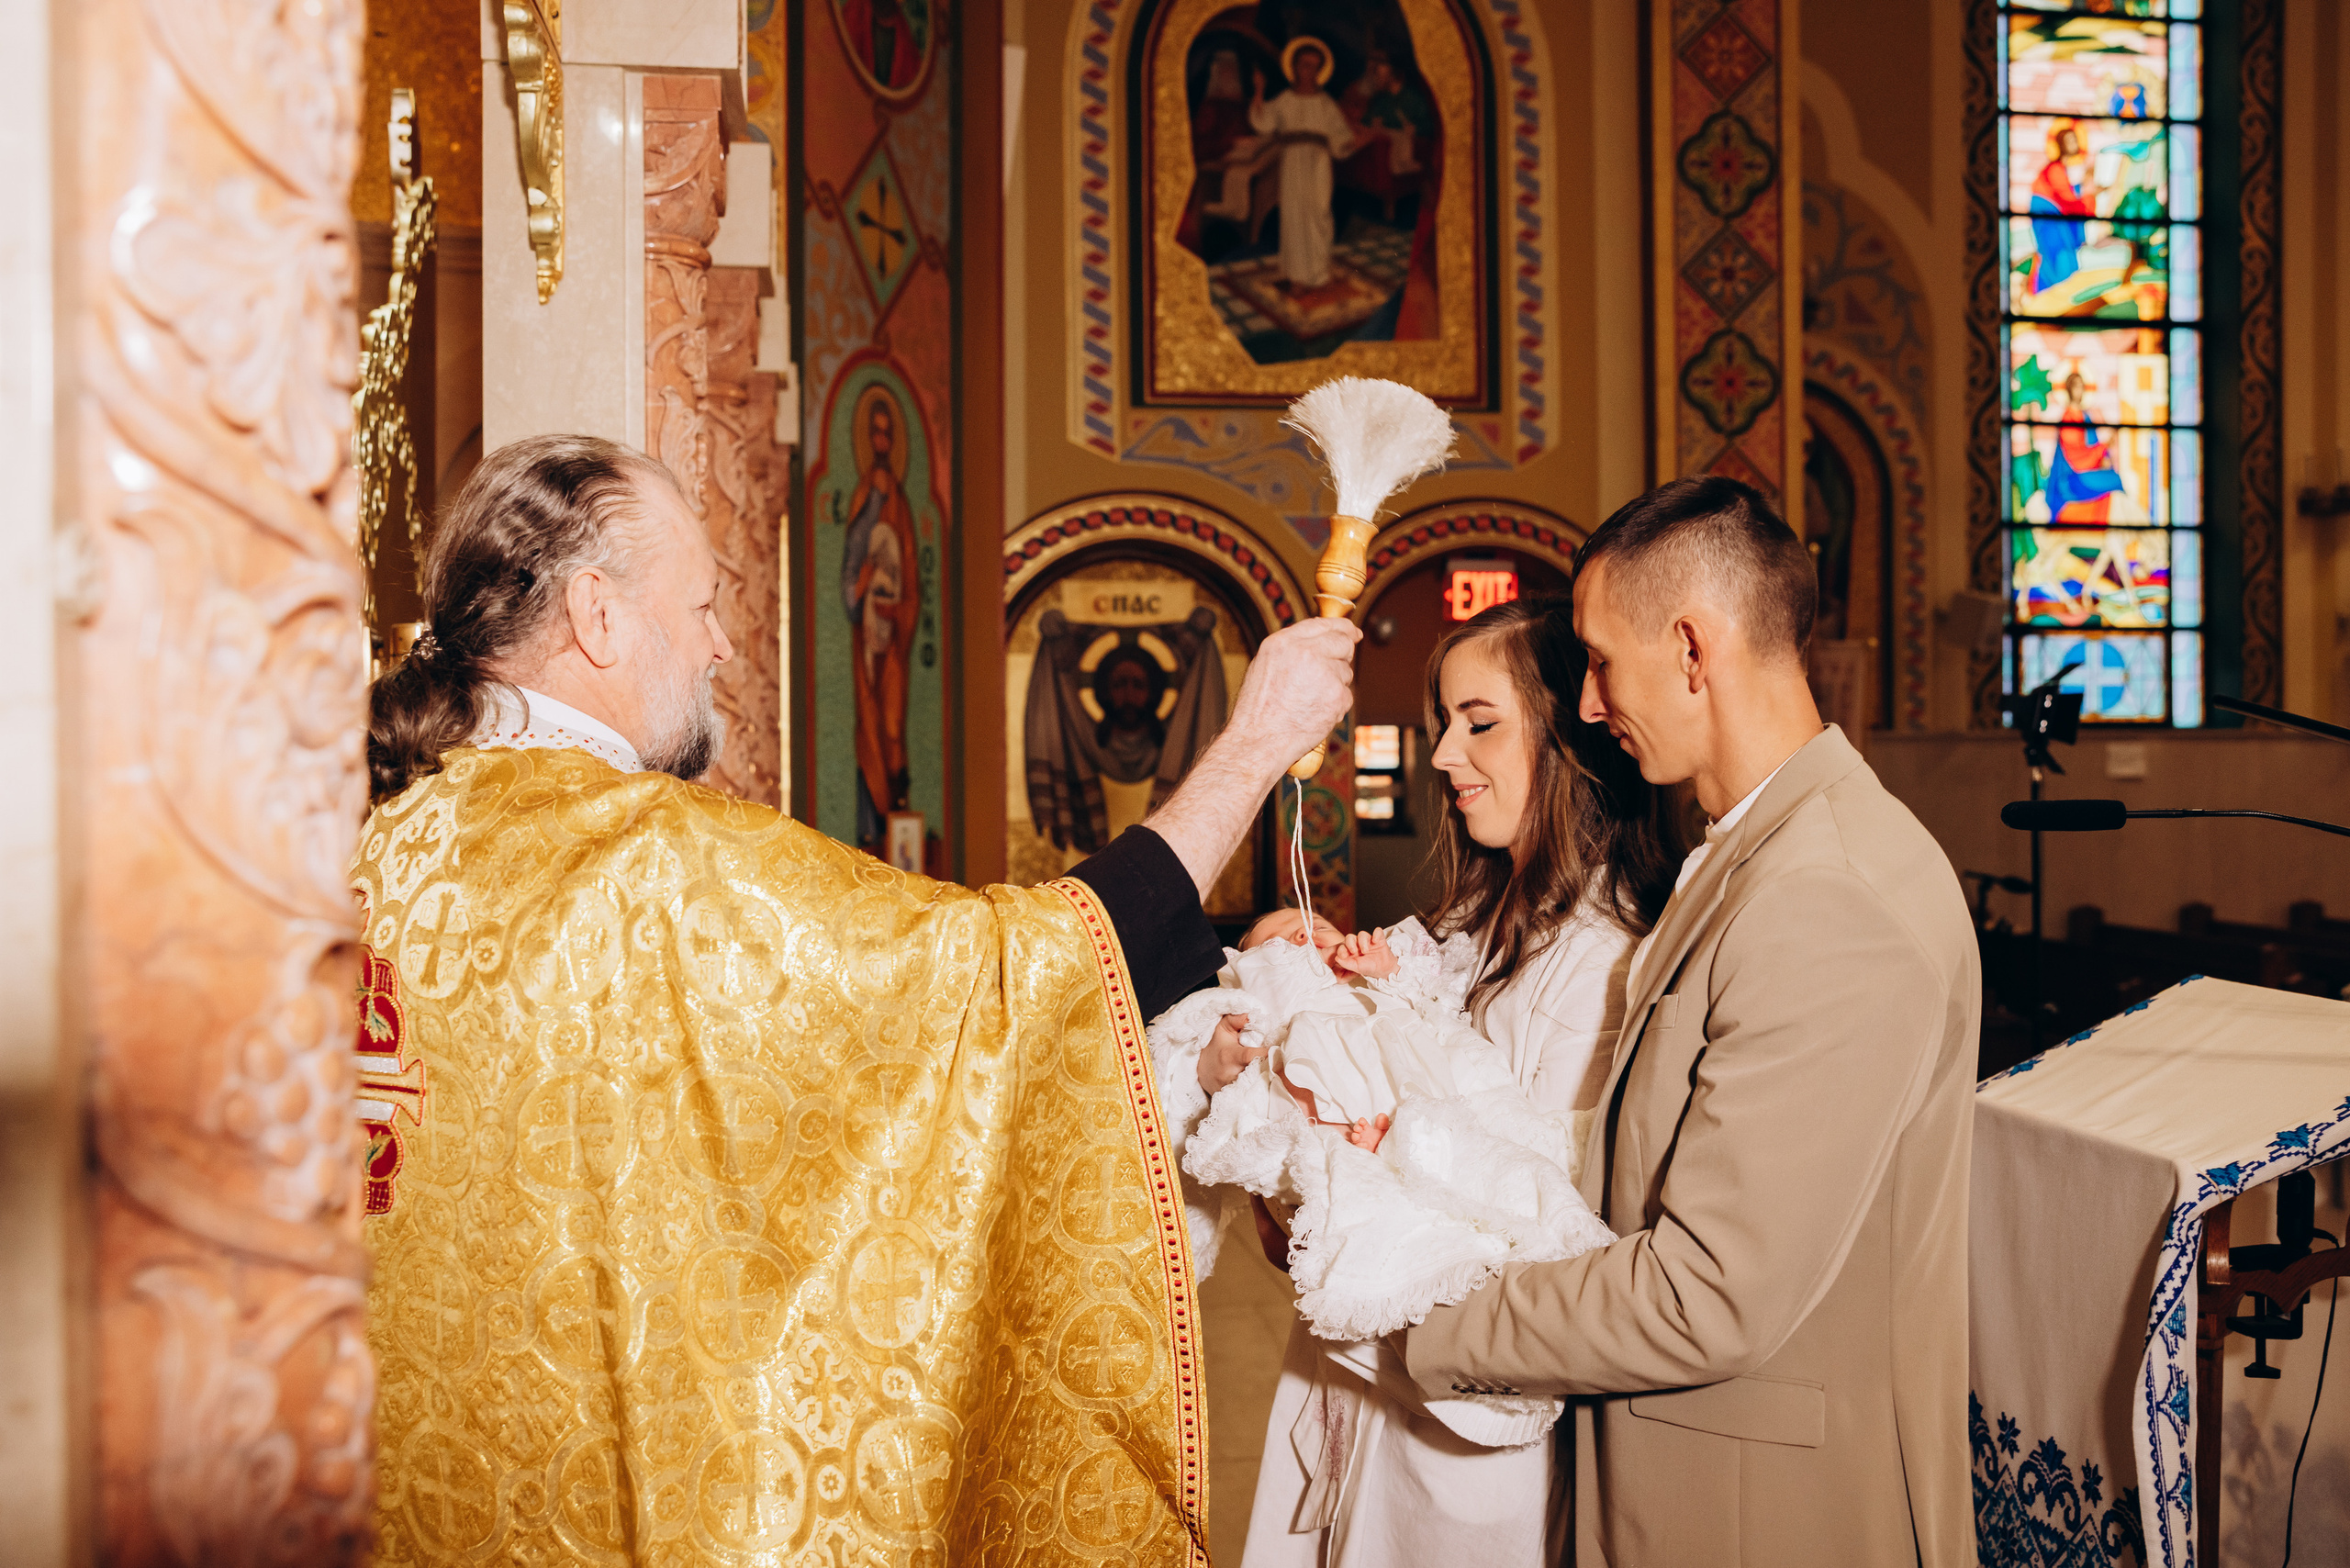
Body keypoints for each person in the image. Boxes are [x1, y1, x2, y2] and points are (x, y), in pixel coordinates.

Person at [355, 434, 1358, 1565]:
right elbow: (1012, 977)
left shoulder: (378, 839)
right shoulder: (652, 865)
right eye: (701, 605)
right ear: (596, 614)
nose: (722, 643)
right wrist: (1257, 743)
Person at [1404, 476, 1979, 1567]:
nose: (1587, 705)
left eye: (1599, 661)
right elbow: (1650, 1152)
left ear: (1689, 648)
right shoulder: (1752, 852)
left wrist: (1419, 1319)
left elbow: (1709, 1292)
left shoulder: (1829, 894)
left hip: (1769, 1510)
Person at [1164, 599, 1676, 1565]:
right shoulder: (1463, 929)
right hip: (1359, 1382)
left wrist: (1349, 1167)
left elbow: (1537, 1219)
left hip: (1457, 1415)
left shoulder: (1603, 959)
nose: (1442, 755)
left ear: (1569, 740)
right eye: (1445, 723)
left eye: (1479, 723)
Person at [1163, 901, 1615, 1416]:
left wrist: (1388, 970)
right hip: (1369, 1148)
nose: (1306, 938)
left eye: (1318, 927)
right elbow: (1279, 1123)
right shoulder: (1289, 1032)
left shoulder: (1378, 989)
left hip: (1450, 1121)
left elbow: (1436, 1019)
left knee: (1497, 1173)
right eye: (1281, 943)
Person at [1249, 38, 1359, 291]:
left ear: (1320, 70)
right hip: (1292, 164)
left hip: (1318, 164)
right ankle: (1297, 276)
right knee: (1294, 216)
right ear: (1295, 67)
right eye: (1304, 65)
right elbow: (1263, 122)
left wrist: (1352, 143)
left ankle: (1318, 274)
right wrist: (1259, 90)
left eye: (1314, 66)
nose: (1309, 71)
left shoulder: (1325, 103)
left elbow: (1341, 137)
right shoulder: (1285, 100)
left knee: (1318, 213)